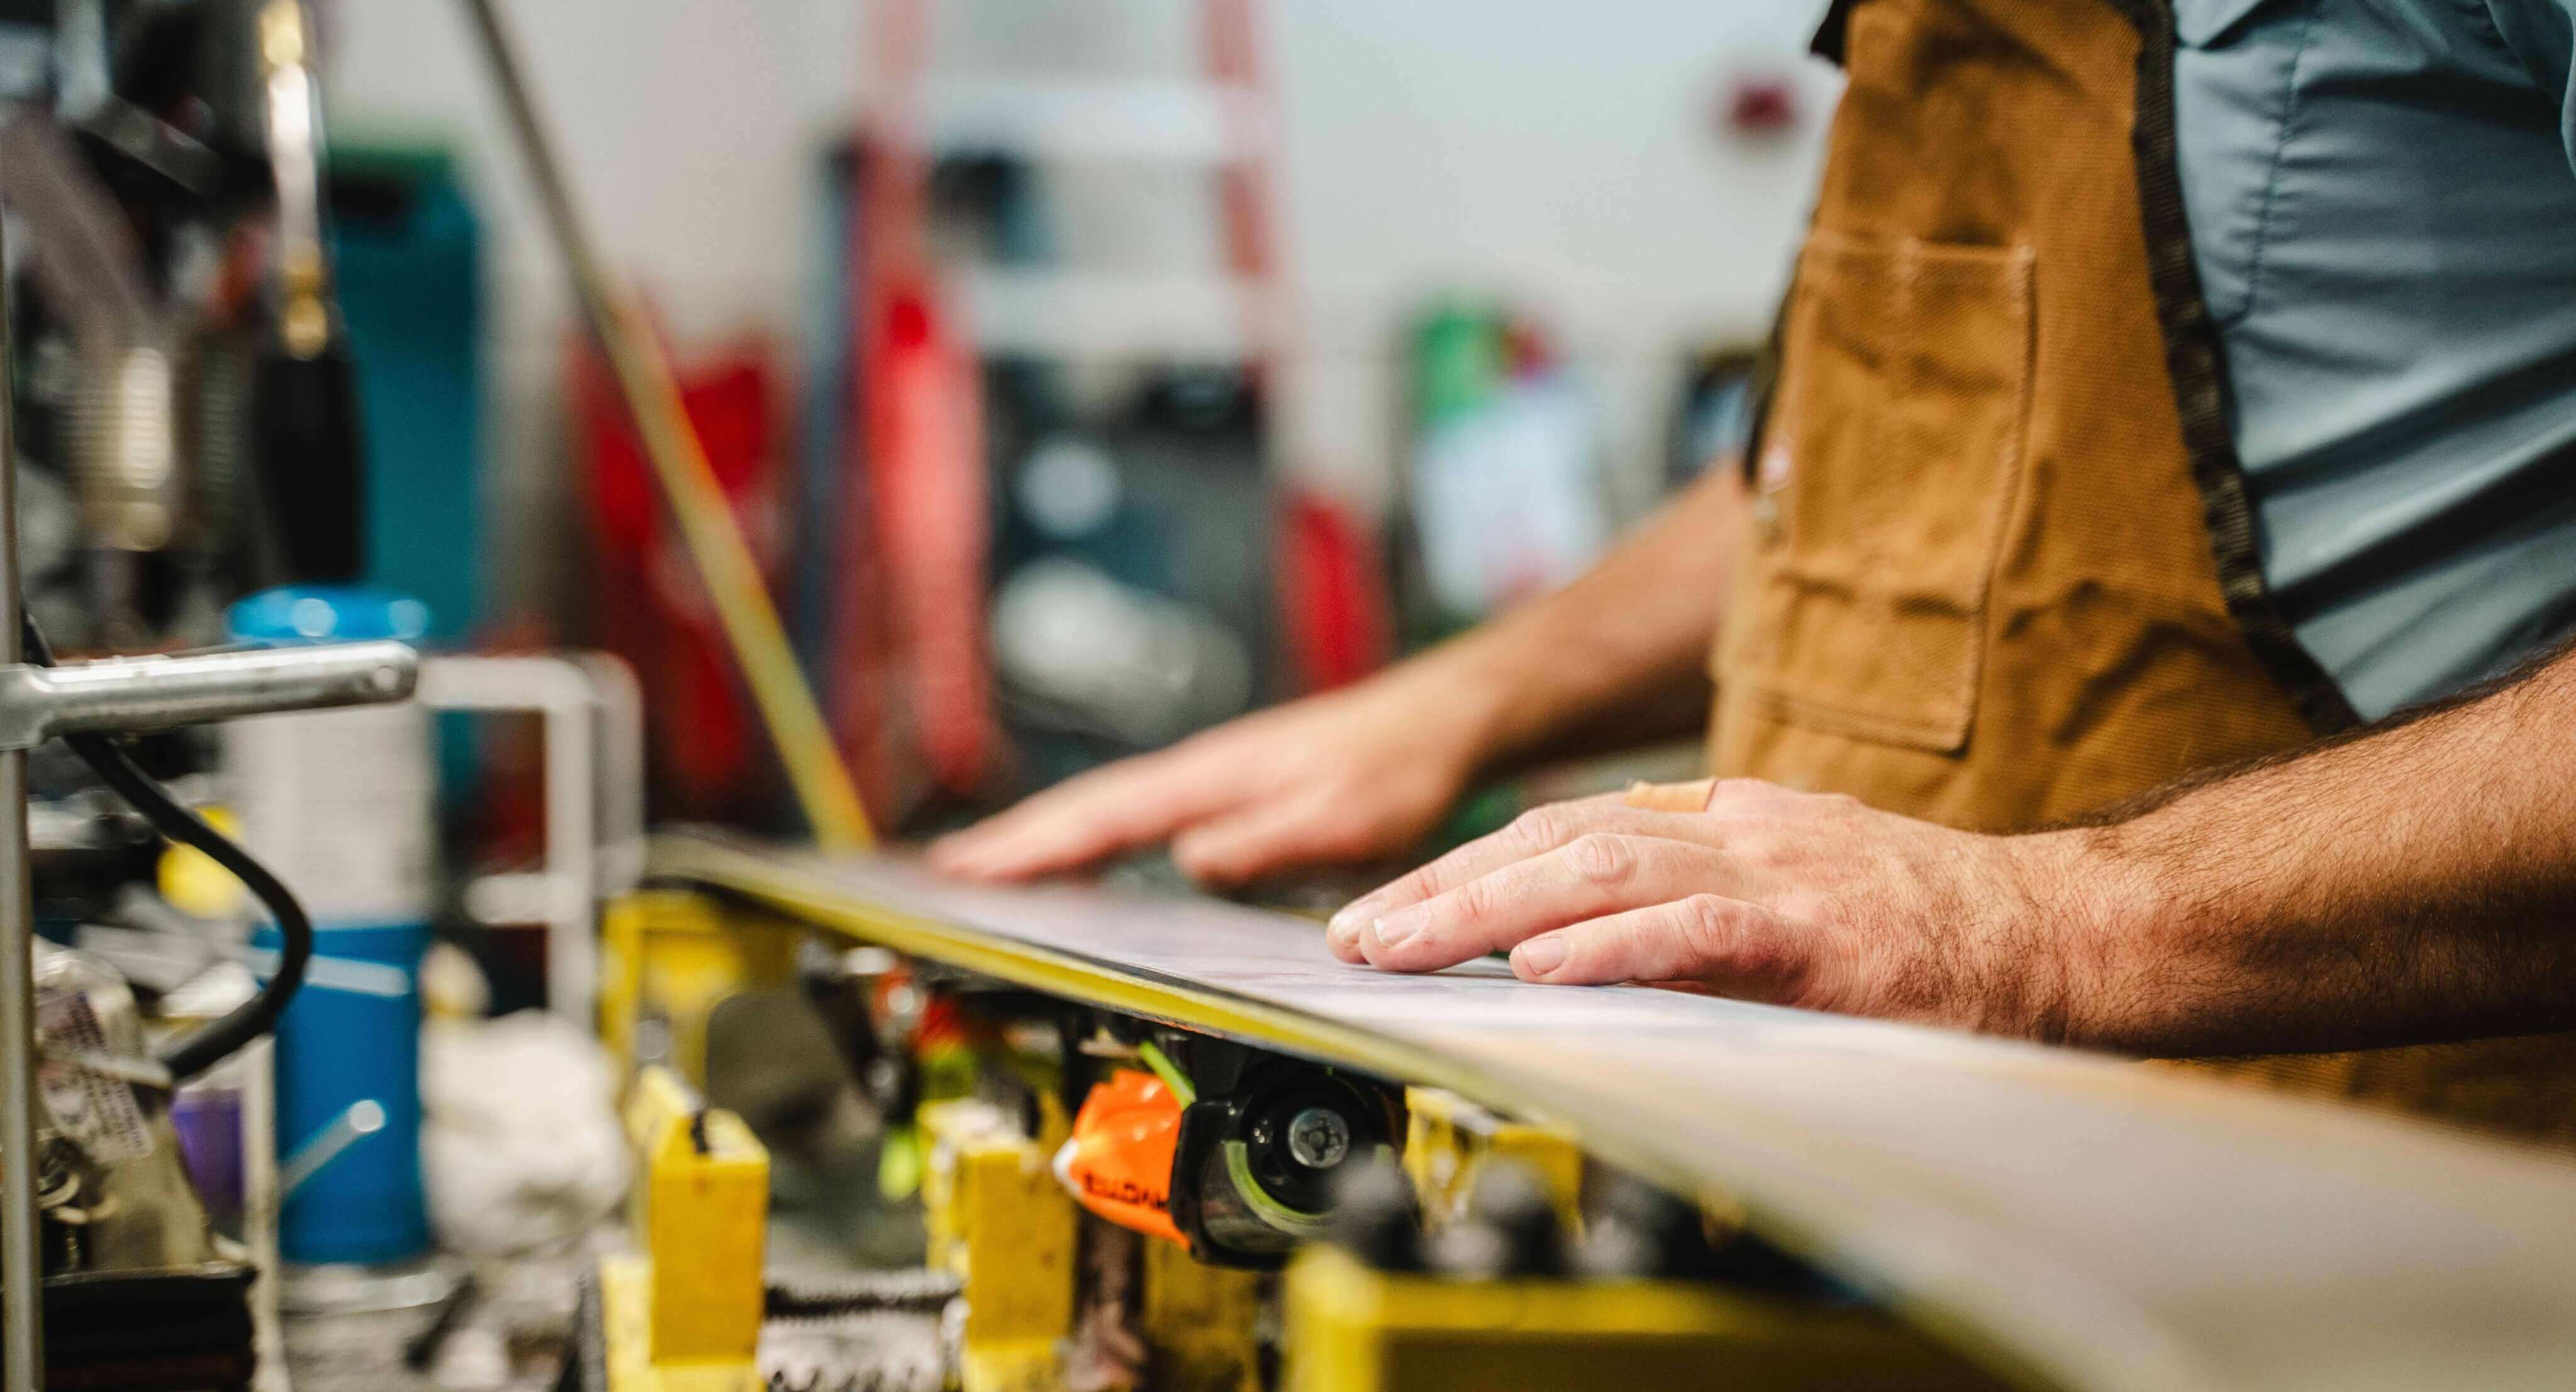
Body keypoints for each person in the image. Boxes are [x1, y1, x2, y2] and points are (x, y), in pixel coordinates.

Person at [936, 0, 2576, 1141]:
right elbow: (1882, 459)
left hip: (2310, 1262)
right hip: (1851, 1253)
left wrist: (2048, 925)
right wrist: (1456, 703)